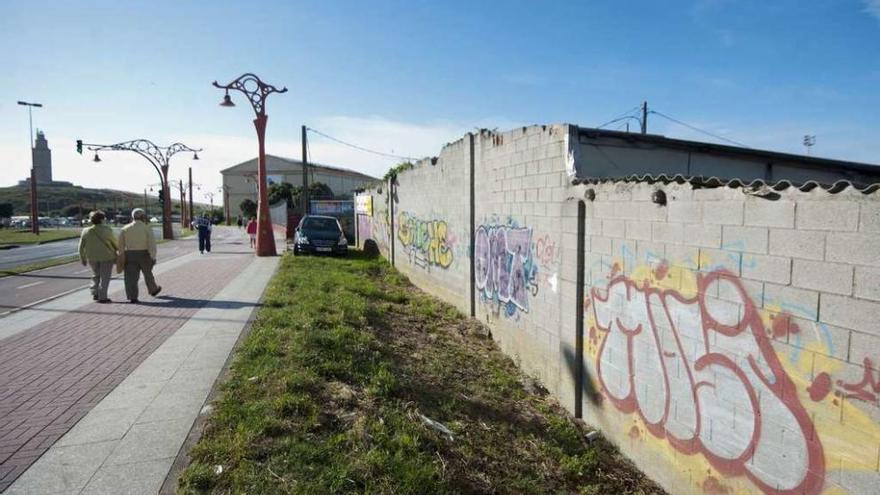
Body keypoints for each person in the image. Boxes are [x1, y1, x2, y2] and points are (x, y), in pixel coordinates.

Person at [117, 208, 161, 303]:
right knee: (148, 274)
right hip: (144, 254)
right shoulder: (146, 228)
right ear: (142, 217)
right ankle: (153, 289)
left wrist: (121, 255)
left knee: (130, 277)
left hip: (129, 254)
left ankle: (132, 296)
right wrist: (153, 256)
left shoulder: (125, 229)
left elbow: (120, 245)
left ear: (132, 217)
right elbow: (151, 244)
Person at [78, 210, 117, 303]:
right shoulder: (107, 229)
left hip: (92, 257)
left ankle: (95, 292)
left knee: (96, 275)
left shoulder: (86, 231)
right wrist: (119, 250)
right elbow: (114, 242)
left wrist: (82, 258)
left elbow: (80, 246)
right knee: (105, 277)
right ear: (102, 219)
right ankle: (103, 296)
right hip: (106, 256)